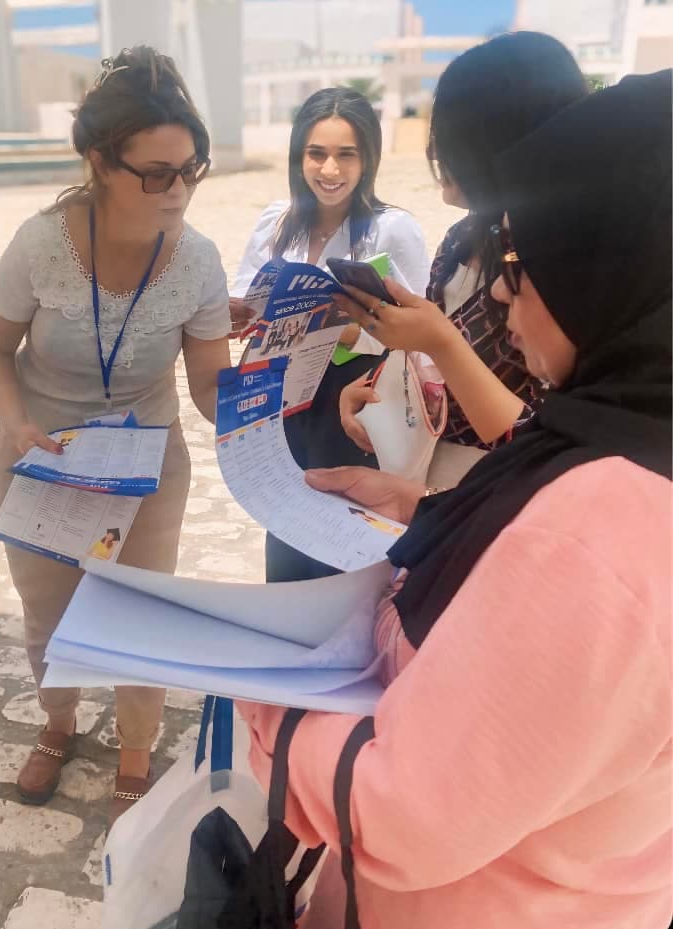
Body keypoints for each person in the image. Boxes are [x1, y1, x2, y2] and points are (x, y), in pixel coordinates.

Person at [239, 69, 672, 928]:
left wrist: (258, 687)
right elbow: (533, 487)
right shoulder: (625, 436)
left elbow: (400, 809)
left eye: (526, 260)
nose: (504, 290)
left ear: (617, 267)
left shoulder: (598, 542)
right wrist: (427, 507)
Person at [0, 47, 231, 825]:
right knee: (48, 608)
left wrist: (276, 390)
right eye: (156, 172)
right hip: (42, 457)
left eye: (191, 168)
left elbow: (212, 391)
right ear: (98, 162)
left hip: (146, 466)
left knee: (140, 609)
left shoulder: (198, 263)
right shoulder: (42, 243)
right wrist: (16, 423)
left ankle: (136, 749)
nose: (177, 189)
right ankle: (58, 723)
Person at [338, 32, 589, 491]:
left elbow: (546, 433)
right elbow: (422, 364)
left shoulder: (562, 263)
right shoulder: (458, 241)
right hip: (421, 486)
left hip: (500, 498)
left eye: (450, 137)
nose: (435, 154)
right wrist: (376, 388)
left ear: (496, 145)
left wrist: (442, 343)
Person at [230, 87, 432, 582]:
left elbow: (424, 332)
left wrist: (345, 333)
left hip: (357, 405)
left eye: (347, 155)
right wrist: (244, 315)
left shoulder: (391, 229)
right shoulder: (276, 224)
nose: (330, 170)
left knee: (352, 551)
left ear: (369, 161)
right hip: (285, 403)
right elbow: (245, 296)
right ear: (299, 156)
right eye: (316, 154)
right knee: (287, 545)